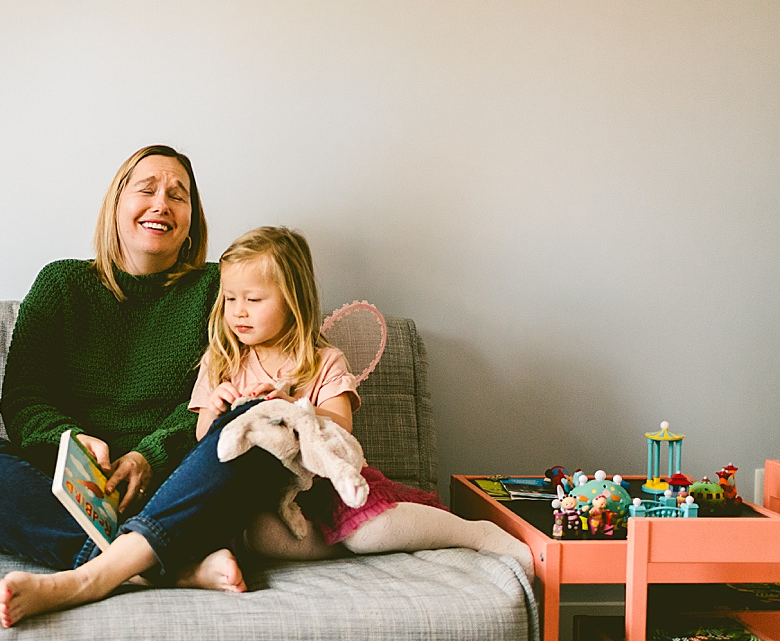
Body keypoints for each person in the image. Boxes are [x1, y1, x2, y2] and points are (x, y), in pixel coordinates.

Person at [0, 145, 292, 627]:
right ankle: (162, 568)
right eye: (147, 190)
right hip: (72, 491)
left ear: (191, 220)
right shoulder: (62, 284)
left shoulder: (218, 289)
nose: (162, 203)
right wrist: (69, 440)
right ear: (116, 205)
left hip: (176, 485)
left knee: (254, 424)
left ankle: (95, 575)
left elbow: (227, 389)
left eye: (178, 196)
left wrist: (148, 455)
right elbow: (23, 397)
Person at [193, 226, 534, 573]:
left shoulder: (322, 360)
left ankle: (474, 533)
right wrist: (215, 410)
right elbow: (204, 442)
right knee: (260, 537)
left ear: (293, 300)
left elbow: (342, 425)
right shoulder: (221, 360)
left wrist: (292, 407)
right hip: (268, 498)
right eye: (230, 299)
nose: (237, 312)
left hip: (330, 488)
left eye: (252, 300)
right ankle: (337, 546)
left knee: (368, 532)